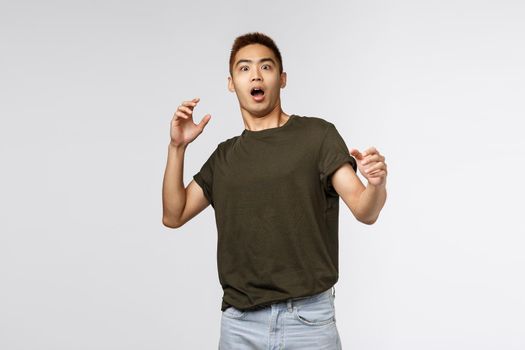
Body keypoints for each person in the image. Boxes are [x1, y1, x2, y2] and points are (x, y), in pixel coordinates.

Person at [162, 32, 388, 350]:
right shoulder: (224, 157)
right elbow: (174, 214)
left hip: (308, 322)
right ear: (231, 83)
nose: (255, 75)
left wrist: (377, 185)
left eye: (266, 67)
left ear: (281, 79)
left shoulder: (317, 136)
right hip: (240, 326)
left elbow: (365, 209)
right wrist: (177, 147)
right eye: (244, 68)